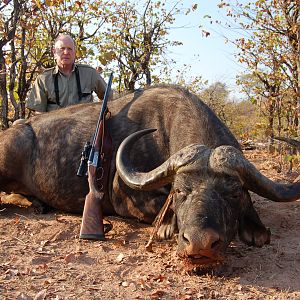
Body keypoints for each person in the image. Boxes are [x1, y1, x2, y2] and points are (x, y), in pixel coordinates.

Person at [26, 34, 111, 113]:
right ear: (54, 52)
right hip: (56, 128)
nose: (66, 52)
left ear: (74, 53)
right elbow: (39, 115)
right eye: (62, 48)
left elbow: (110, 98)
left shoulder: (90, 73)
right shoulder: (43, 79)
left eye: (70, 49)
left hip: (85, 126)